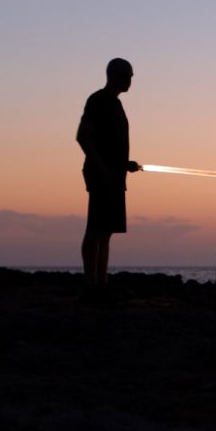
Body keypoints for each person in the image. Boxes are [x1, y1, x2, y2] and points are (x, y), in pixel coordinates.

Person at [76, 58, 139, 298]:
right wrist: (102, 169)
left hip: (116, 176)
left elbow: (111, 143)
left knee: (106, 231)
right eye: (126, 75)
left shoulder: (116, 104)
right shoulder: (97, 100)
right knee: (96, 229)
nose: (130, 80)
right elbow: (83, 137)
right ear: (113, 75)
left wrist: (125, 164)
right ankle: (90, 284)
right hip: (101, 176)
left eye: (131, 76)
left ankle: (101, 282)